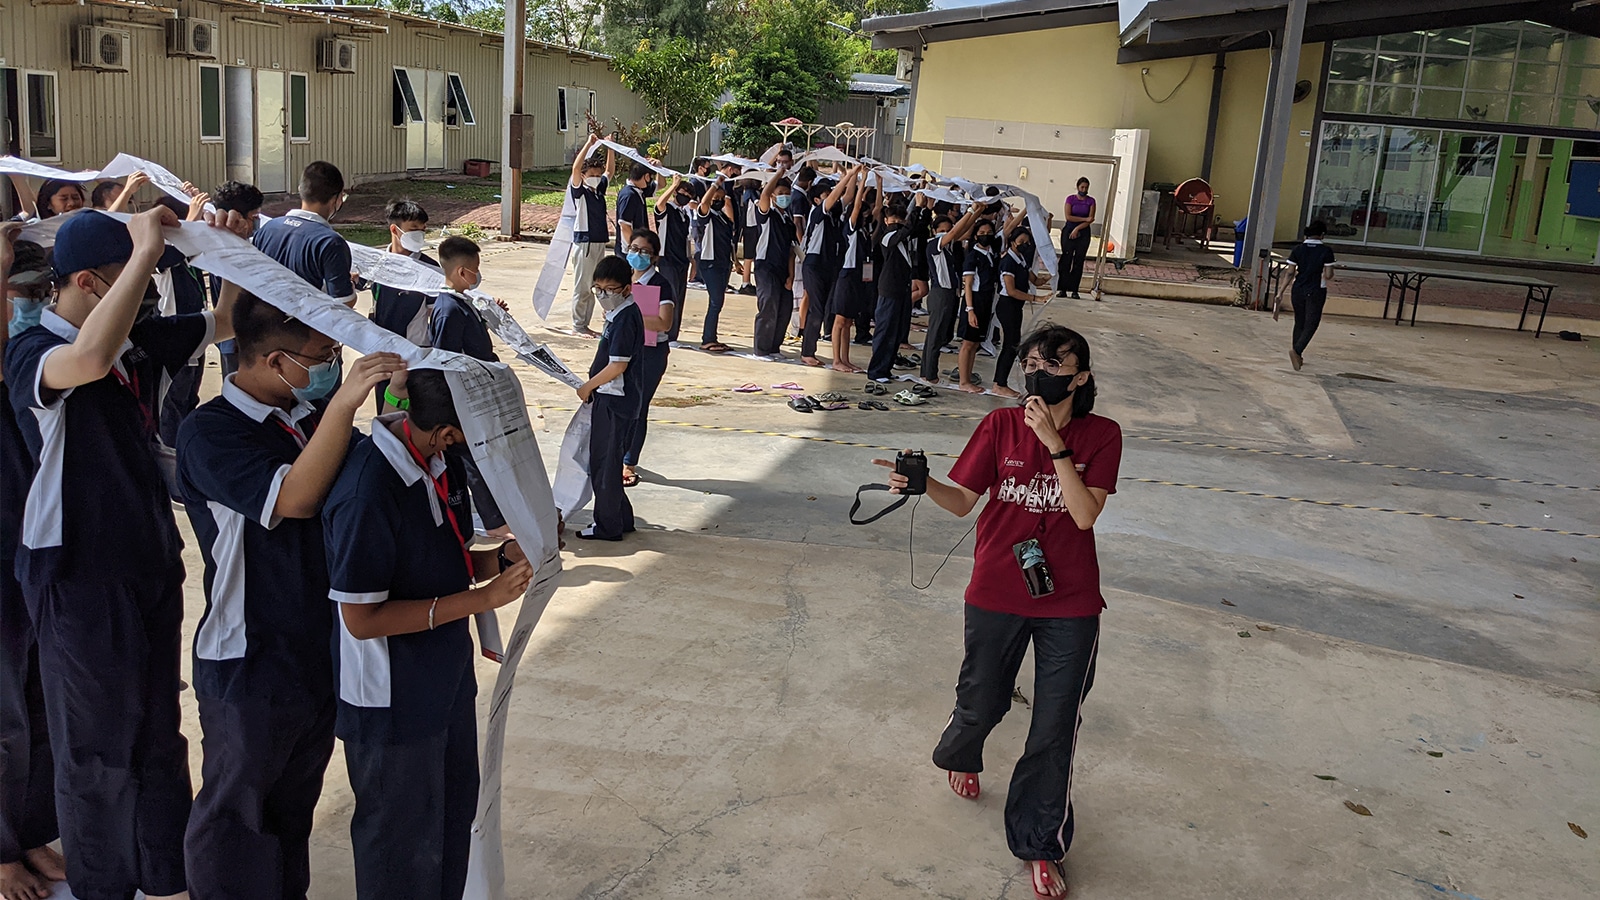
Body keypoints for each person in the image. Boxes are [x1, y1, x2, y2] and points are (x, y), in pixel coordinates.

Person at [4, 206, 242, 900]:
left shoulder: (135, 339)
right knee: (94, 749)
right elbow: (89, 360)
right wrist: (143, 251)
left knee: (157, 731)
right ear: (85, 281)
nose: (144, 300)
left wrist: (224, 250)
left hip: (146, 563)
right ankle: (103, 882)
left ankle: (164, 873)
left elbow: (224, 323)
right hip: (77, 579)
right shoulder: (33, 355)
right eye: (130, 285)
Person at [873, 325, 1119, 900]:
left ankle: (1039, 841)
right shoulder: (999, 424)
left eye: (1054, 363)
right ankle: (963, 750)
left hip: (1071, 601)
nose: (1038, 370)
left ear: (1079, 376)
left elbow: (1084, 515)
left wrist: (1054, 444)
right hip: (996, 591)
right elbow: (962, 501)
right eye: (1031, 360)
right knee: (982, 699)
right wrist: (920, 483)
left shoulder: (1102, 434)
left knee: (1055, 725)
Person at [176, 292, 407, 900]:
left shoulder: (300, 416)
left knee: (290, 807)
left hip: (310, 644)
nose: (331, 365)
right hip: (248, 656)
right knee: (238, 809)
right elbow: (294, 499)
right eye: (322, 355)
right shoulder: (210, 431)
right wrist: (345, 403)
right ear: (274, 360)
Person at [322, 369, 535, 900]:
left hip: (443, 678)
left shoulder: (439, 463)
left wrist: (506, 556)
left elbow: (451, 557)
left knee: (451, 820)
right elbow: (362, 619)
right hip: (392, 699)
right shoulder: (368, 491)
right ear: (445, 432)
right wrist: (482, 600)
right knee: (401, 842)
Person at [0, 226, 67, 900]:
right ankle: (1, 854)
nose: (28, 306)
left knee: (38, 703)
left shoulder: (31, 357)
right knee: (3, 717)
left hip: (28, 550)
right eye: (17, 295)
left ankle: (32, 833)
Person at [427, 236, 509, 536]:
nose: (478, 274)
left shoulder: (462, 302)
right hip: (465, 396)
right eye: (475, 269)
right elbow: (446, 358)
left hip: (477, 391)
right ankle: (493, 521)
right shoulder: (448, 308)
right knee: (472, 458)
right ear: (462, 271)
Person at [575, 256, 644, 541]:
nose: (603, 296)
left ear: (627, 289)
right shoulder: (618, 314)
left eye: (610, 290)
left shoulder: (626, 318)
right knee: (609, 463)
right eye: (598, 290)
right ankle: (621, 518)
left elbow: (618, 365)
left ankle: (607, 526)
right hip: (615, 399)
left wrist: (587, 386)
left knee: (603, 465)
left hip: (614, 401)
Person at [253, 161, 356, 306]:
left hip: (264, 322)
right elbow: (344, 303)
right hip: (304, 326)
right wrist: (349, 283)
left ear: (301, 189)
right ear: (337, 199)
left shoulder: (267, 229)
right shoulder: (331, 242)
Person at [619, 231, 675, 489]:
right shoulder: (623, 279)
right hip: (623, 349)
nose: (637, 254)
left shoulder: (660, 284)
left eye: (643, 251)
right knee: (619, 402)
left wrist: (632, 318)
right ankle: (616, 453)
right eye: (633, 248)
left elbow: (664, 323)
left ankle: (629, 461)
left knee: (638, 406)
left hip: (649, 353)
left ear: (654, 256)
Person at [209, 180, 266, 378]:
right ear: (237, 217)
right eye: (254, 218)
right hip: (237, 342)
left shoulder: (226, 243)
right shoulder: (227, 250)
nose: (256, 224)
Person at [921, 206, 979, 385]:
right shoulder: (934, 245)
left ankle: (928, 371)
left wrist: (976, 213)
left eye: (946, 230)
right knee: (935, 335)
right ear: (934, 231)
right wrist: (971, 209)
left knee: (940, 335)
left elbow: (963, 230)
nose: (945, 233)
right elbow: (955, 231)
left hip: (950, 294)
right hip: (940, 294)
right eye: (941, 231)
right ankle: (929, 374)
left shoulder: (948, 248)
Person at [798, 171, 851, 367]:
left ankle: (811, 349)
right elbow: (837, 196)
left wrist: (856, 176)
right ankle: (807, 351)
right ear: (816, 199)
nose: (831, 197)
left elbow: (848, 196)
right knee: (817, 309)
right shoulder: (818, 212)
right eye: (825, 195)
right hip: (814, 264)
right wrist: (848, 175)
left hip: (830, 265)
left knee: (825, 308)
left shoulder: (834, 215)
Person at [866, 197, 921, 383]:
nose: (896, 223)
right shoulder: (888, 236)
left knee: (896, 332)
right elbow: (905, 231)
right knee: (885, 331)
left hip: (902, 289)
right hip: (889, 289)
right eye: (893, 220)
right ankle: (876, 370)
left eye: (900, 220)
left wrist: (924, 209)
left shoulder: (904, 238)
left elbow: (916, 228)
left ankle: (886, 368)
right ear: (887, 220)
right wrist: (917, 208)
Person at [369, 199, 436, 347]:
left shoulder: (429, 267)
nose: (419, 235)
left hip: (416, 350)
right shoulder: (376, 263)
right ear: (394, 230)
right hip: (381, 347)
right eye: (413, 230)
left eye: (423, 230)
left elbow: (436, 313)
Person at [992, 227, 1050, 399]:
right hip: (1007, 305)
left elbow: (1035, 280)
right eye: (1021, 242)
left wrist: (1051, 277)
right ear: (1012, 242)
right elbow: (1011, 290)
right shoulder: (1008, 261)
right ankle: (999, 383)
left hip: (1016, 307)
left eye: (1027, 242)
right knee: (1010, 345)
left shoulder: (1021, 259)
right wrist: (1035, 298)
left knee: (1014, 343)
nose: (1025, 245)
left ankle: (1001, 382)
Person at [567, 134, 615, 337]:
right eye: (592, 174)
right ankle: (578, 325)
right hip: (585, 243)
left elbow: (610, 171)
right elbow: (575, 169)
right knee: (583, 286)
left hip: (598, 243)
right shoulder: (580, 191)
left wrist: (611, 148)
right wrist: (589, 144)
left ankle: (584, 324)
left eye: (598, 173)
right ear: (585, 176)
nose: (596, 177)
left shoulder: (598, 191)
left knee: (595, 284)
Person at [1274, 219, 1336, 371]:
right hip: (1316, 290)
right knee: (1312, 323)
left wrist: (1280, 292)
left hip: (1298, 288)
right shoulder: (1326, 251)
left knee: (1299, 321)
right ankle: (1297, 351)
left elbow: (1290, 272)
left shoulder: (1298, 249)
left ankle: (1298, 356)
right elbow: (1328, 275)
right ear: (1322, 235)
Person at [750, 166, 797, 358]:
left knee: (784, 309)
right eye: (780, 193)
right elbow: (765, 194)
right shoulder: (766, 214)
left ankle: (774, 347)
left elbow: (792, 251)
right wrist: (778, 174)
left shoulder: (788, 220)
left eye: (787, 193)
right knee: (768, 305)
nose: (784, 197)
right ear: (773, 196)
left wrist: (791, 275)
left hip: (783, 269)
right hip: (766, 266)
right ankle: (761, 349)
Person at [829, 166, 871, 374]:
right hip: (846, 275)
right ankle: (836, 359)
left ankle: (845, 359)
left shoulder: (863, 232)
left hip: (857, 277)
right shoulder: (850, 227)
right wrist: (860, 178)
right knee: (840, 319)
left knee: (848, 321)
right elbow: (855, 206)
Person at [692, 176, 736, 353]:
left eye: (721, 198)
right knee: (715, 302)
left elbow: (729, 241)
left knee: (718, 302)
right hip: (710, 264)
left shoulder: (723, 217)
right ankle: (707, 339)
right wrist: (716, 184)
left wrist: (736, 262)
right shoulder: (707, 217)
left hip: (723, 263)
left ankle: (712, 337)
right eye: (715, 199)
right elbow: (704, 204)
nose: (718, 201)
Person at [957, 217, 1000, 393]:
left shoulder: (990, 254)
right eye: (982, 233)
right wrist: (970, 310)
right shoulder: (973, 257)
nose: (986, 236)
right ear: (975, 235)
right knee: (968, 343)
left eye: (989, 233)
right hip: (974, 301)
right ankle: (963, 381)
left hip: (986, 301)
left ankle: (968, 376)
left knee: (975, 343)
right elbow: (968, 284)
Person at [651, 175, 693, 345]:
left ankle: (673, 334)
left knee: (680, 297)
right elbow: (659, 204)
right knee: (670, 296)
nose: (686, 197)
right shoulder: (667, 209)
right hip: (667, 258)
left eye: (689, 195)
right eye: (683, 192)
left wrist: (692, 260)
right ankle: (666, 333)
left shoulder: (685, 215)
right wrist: (673, 184)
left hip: (682, 260)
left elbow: (687, 239)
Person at [1057, 178, 1095, 299]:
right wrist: (1083, 220)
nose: (1084, 190)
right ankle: (1062, 288)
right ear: (1078, 187)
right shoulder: (1070, 199)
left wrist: (1078, 228)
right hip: (1069, 230)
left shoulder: (1091, 201)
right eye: (1082, 187)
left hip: (1083, 232)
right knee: (1066, 258)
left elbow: (1091, 219)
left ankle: (1074, 290)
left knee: (1079, 261)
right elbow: (1069, 216)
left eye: (1086, 187)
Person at [614, 162, 655, 257]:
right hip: (628, 253)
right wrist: (635, 249)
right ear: (647, 176)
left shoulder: (639, 190)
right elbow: (625, 226)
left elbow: (661, 184)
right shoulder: (629, 195)